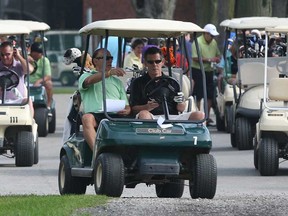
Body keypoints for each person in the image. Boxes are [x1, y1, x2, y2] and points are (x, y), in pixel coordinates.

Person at [129, 46, 204, 121]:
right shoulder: (138, 82)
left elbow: (181, 108)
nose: (154, 65)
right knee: (143, 114)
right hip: (151, 117)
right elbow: (133, 109)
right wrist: (147, 106)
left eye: (157, 61)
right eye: (150, 62)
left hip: (172, 117)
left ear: (162, 62)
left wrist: (181, 101)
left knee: (200, 115)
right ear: (145, 63)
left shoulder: (172, 82)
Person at [79, 48, 131, 150]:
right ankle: (97, 152)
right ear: (95, 61)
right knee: (86, 118)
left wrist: (127, 110)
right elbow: (89, 81)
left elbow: (127, 106)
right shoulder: (86, 76)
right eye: (106, 58)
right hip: (96, 116)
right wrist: (109, 73)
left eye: (110, 58)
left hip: (116, 115)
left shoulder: (117, 82)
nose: (110, 61)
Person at [191, 24, 221, 126]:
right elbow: (195, 57)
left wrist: (217, 58)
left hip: (209, 71)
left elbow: (217, 54)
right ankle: (199, 117)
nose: (212, 37)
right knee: (198, 95)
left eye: (213, 36)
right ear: (205, 33)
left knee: (209, 95)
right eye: (211, 35)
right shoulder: (197, 42)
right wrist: (209, 59)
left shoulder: (214, 42)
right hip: (198, 70)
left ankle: (206, 117)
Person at [0, 41, 34, 114]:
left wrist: (19, 56)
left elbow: (30, 70)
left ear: (13, 52)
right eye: (2, 55)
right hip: (1, 100)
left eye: (7, 54)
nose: (5, 57)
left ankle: (29, 123)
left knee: (28, 101)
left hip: (17, 100)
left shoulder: (19, 65)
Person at [29, 42, 53, 110]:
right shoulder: (26, 59)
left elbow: (48, 76)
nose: (36, 57)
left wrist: (39, 81)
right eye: (35, 55)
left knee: (49, 84)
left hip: (39, 82)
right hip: (26, 81)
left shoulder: (44, 60)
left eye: (39, 55)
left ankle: (48, 104)